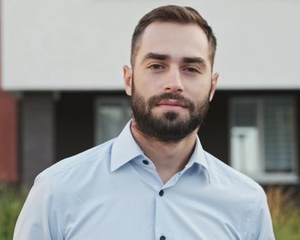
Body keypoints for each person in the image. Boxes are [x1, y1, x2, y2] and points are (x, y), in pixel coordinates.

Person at [14, 5, 275, 240]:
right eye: (156, 66)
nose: (174, 82)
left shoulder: (247, 204)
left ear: (212, 86)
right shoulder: (57, 193)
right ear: (129, 79)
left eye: (191, 69)